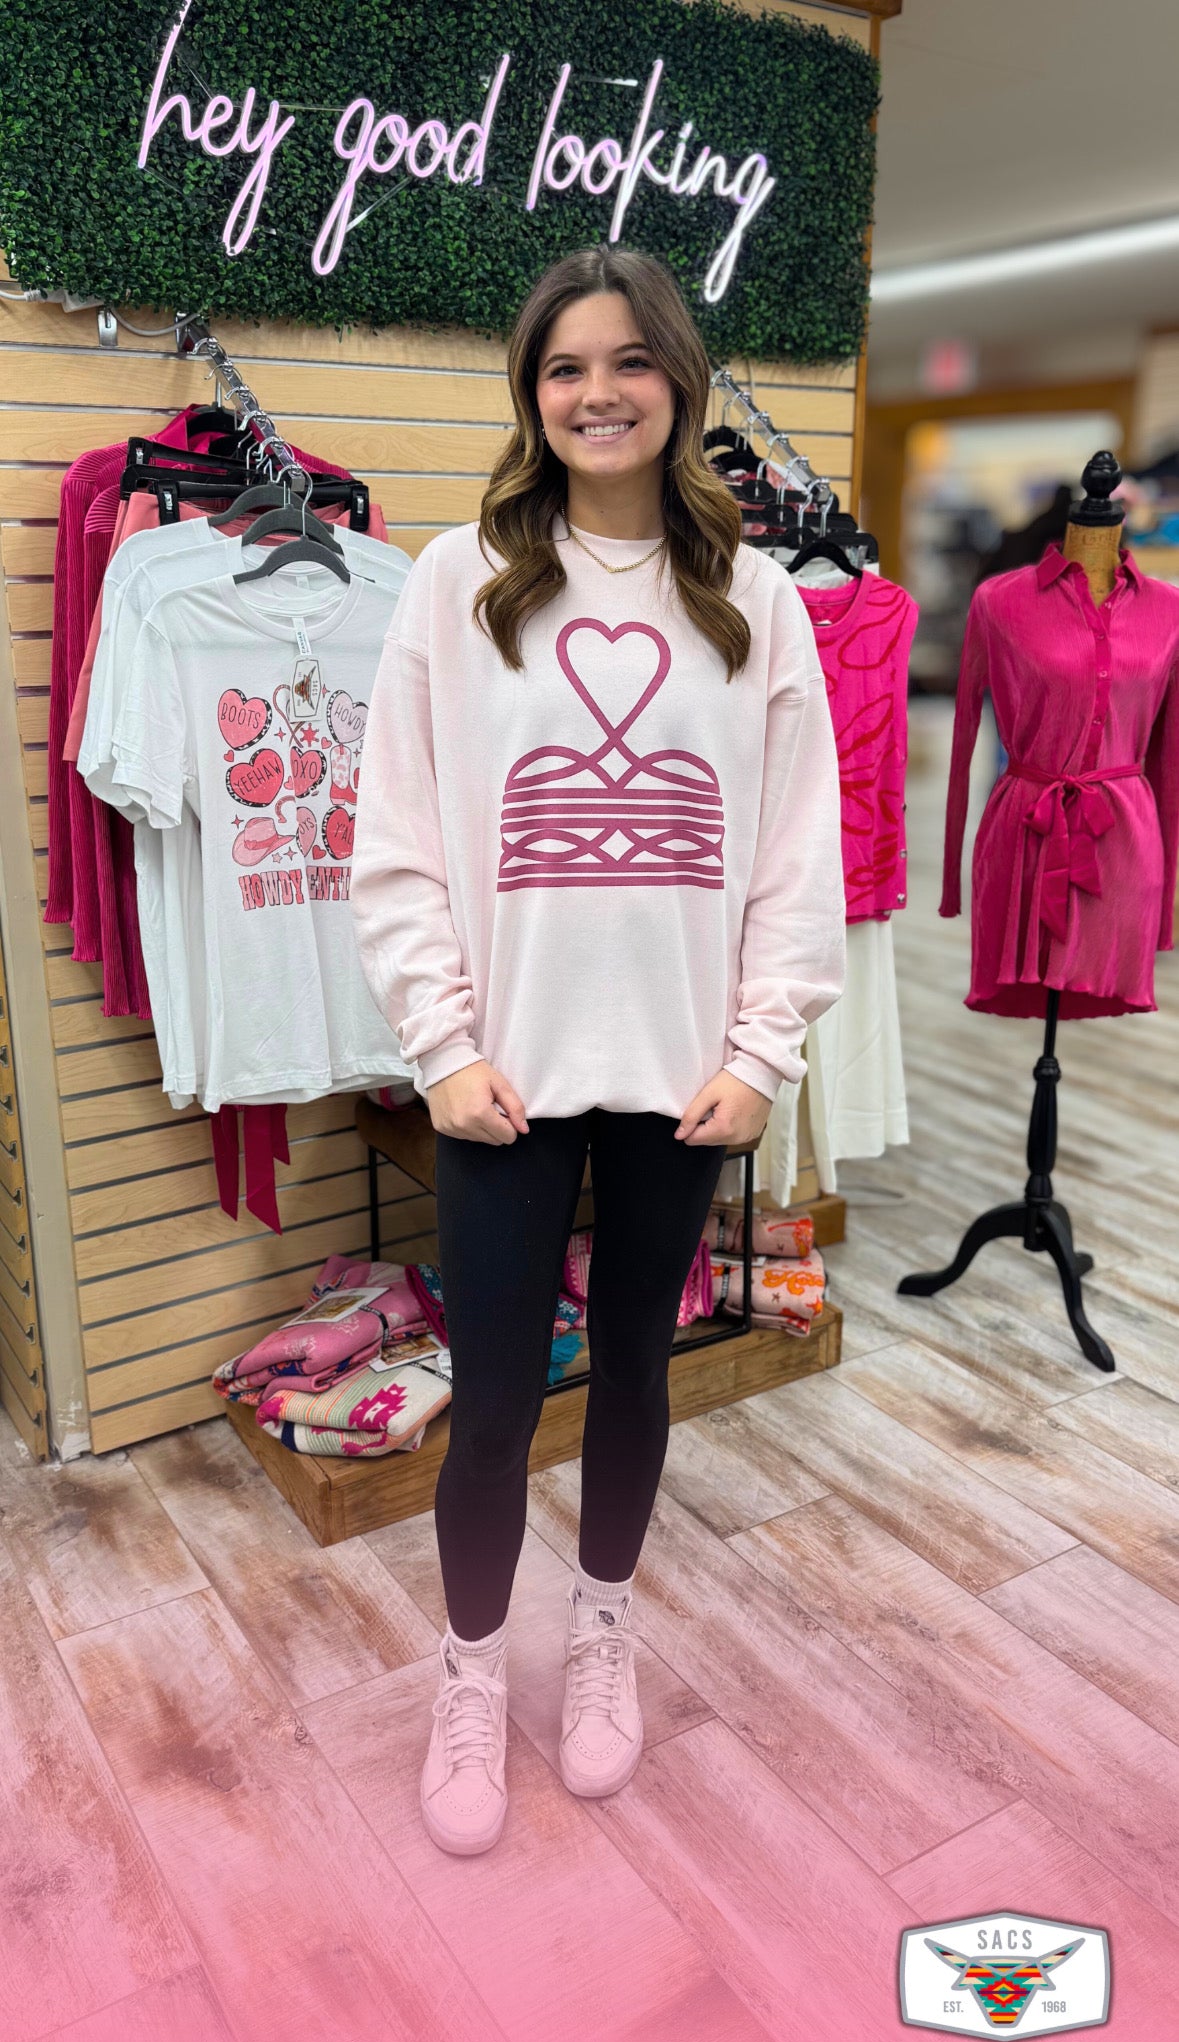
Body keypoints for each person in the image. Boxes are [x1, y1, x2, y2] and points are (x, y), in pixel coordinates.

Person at [351, 244, 845, 1856]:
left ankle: (607, 1628)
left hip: (683, 1082)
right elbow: (402, 841)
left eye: (629, 362)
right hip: (501, 1080)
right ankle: (475, 1668)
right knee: (494, 1398)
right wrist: (438, 1042)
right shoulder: (453, 582)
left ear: (679, 383)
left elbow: (793, 852)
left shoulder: (756, 603)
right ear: (532, 393)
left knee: (637, 1369)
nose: (599, 393)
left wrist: (763, 1051)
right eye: (566, 367)